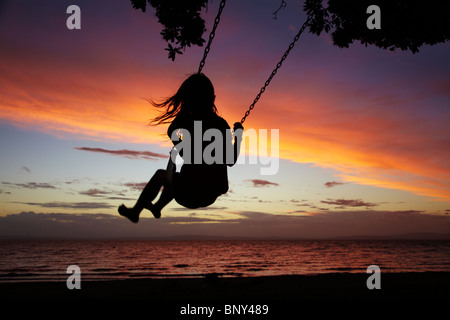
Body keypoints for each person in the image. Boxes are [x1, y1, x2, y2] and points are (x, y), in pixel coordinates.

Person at [118, 73, 243, 223]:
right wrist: (239, 136)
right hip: (209, 194)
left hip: (187, 193)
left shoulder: (188, 120)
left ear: (189, 99)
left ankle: (136, 211)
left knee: (163, 174)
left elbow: (172, 131)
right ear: (213, 99)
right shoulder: (220, 124)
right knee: (176, 174)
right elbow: (230, 160)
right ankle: (157, 207)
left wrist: (182, 145)